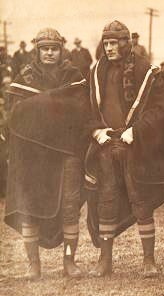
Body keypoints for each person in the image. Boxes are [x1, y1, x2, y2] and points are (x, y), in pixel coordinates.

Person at [85, 20, 164, 278]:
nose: (109, 48)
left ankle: (149, 260)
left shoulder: (146, 70)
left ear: (125, 43)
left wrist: (136, 131)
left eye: (114, 43)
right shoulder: (96, 72)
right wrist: (97, 130)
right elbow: (86, 109)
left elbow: (162, 109)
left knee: (140, 201)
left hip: (135, 146)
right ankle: (104, 260)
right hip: (106, 145)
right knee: (106, 202)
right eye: (105, 43)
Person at [4, 27, 89, 280]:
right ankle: (33, 264)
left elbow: (80, 110)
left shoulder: (73, 75)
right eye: (45, 49)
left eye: (54, 49)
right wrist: (53, 107)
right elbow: (16, 115)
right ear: (37, 51)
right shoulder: (25, 78)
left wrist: (42, 107)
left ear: (61, 50)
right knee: (30, 206)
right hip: (33, 152)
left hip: (66, 149)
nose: (50, 53)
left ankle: (69, 261)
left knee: (70, 205)